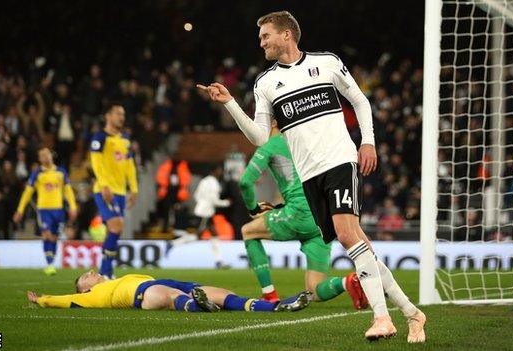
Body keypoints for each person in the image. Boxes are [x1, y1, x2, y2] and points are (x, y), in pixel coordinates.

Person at [198, 11, 426, 342]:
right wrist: (231, 103)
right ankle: (412, 314)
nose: (260, 42)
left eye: (266, 36)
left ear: (286, 35)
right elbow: (261, 137)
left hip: (339, 161)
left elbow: (360, 102)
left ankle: (382, 318)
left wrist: (368, 142)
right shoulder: (264, 84)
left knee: (348, 236)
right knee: (361, 245)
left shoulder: (327, 63)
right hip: (310, 176)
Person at [239, 120, 368, 309]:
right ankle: (348, 282)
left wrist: (253, 210)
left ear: (274, 122)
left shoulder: (271, 144)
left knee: (248, 231)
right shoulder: (307, 141)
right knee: (315, 290)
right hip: (322, 218)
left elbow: (245, 182)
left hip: (300, 212)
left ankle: (269, 295)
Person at [26, 270, 311, 313]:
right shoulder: (90, 296)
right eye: (86, 276)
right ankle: (197, 305)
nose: (91, 271)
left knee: (218, 291)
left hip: (160, 281)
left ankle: (271, 306)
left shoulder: (116, 277)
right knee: (171, 295)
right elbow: (63, 299)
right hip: (143, 293)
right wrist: (43, 300)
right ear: (85, 288)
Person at [90, 103, 138, 278]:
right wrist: (104, 185)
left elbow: (130, 165)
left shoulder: (125, 139)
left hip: (120, 192)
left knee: (115, 230)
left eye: (123, 114)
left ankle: (107, 271)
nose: (121, 117)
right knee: (116, 226)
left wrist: (133, 188)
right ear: (108, 116)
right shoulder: (100, 137)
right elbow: (95, 163)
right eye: (118, 113)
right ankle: (104, 271)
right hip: (105, 190)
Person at [13, 147, 78, 276]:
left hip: (58, 211)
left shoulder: (61, 172)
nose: (45, 157)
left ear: (51, 155)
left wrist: (73, 207)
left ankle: (51, 262)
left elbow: (68, 191)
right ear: (39, 159)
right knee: (47, 235)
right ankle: (49, 264)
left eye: (46, 154)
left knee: (54, 238)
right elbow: (27, 192)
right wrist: (20, 210)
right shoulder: (37, 174)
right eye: (42, 155)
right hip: (43, 211)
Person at [171, 165, 231, 269]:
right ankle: (173, 244)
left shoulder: (204, 181)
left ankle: (219, 261)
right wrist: (226, 203)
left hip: (202, 210)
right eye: (219, 170)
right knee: (197, 236)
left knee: (214, 233)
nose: (220, 172)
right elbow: (214, 201)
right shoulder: (214, 183)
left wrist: (201, 203)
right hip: (206, 212)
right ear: (214, 171)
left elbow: (196, 195)